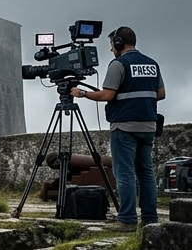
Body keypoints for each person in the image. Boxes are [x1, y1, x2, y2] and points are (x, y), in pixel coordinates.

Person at [70, 25, 165, 229]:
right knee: (146, 173)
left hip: (124, 126)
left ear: (119, 43)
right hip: (148, 125)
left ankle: (127, 219)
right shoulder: (152, 64)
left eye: (112, 45)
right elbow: (161, 93)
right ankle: (150, 218)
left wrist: (82, 94)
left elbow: (107, 95)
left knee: (125, 173)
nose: (112, 49)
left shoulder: (118, 64)